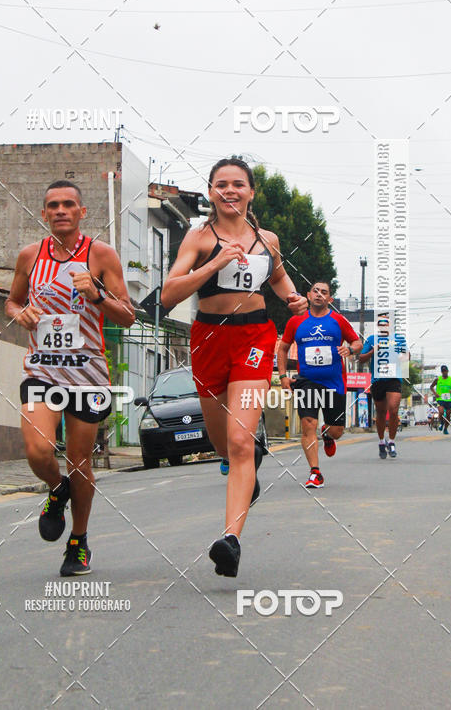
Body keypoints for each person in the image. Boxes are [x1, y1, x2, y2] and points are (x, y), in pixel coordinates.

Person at [161, 158, 306, 577]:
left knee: (240, 439)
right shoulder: (199, 237)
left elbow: (277, 277)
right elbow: (169, 294)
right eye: (221, 184)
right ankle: (243, 463)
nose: (230, 190)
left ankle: (231, 541)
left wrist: (293, 298)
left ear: (251, 192)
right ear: (211, 192)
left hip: (254, 337)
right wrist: (215, 263)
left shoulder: (267, 239)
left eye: (238, 184)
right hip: (209, 338)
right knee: (223, 443)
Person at [6, 180, 135, 575]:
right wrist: (19, 313)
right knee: (38, 450)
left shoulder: (101, 255)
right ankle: (57, 489)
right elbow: (12, 301)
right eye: (53, 205)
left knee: (80, 463)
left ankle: (78, 542)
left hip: (87, 376)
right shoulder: (30, 256)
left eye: (68, 204)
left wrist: (97, 295)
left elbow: (127, 316)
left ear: (82, 212)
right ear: (44, 213)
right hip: (41, 370)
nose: (60, 210)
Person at [277, 282, 362, 488]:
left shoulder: (338, 320)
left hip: (334, 382)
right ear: (308, 295)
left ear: (329, 299)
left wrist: (350, 350)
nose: (319, 294)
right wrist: (283, 376)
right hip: (307, 381)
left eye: (324, 292)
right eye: (315, 291)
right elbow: (283, 348)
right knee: (308, 424)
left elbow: (357, 342)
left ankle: (327, 434)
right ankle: (315, 473)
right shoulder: (296, 321)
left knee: (337, 431)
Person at [358, 319, 408, 458]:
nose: (384, 326)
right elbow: (361, 358)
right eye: (381, 324)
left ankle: (391, 441)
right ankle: (381, 441)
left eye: (386, 324)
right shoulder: (372, 339)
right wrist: (373, 351)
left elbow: (406, 356)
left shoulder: (398, 339)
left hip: (394, 378)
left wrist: (402, 357)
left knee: (393, 410)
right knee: (380, 412)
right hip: (378, 380)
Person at [430, 365, 451, 434]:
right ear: (441, 372)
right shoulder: (438, 379)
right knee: (441, 412)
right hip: (440, 399)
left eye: (445, 371)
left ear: (448, 371)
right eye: (443, 371)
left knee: (448, 415)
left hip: (449, 400)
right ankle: (441, 423)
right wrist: (435, 393)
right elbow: (431, 387)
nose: (444, 372)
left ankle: (445, 429)